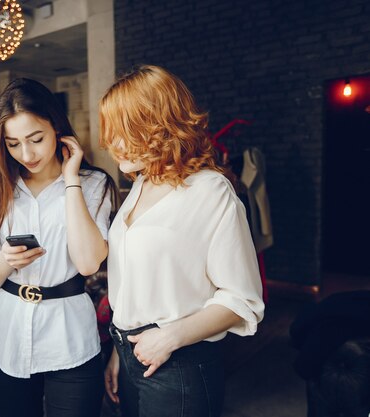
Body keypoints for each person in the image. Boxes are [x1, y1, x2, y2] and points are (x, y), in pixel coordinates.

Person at [99, 65, 265, 417]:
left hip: (180, 362)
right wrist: (119, 351)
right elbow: (135, 287)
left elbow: (242, 299)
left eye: (125, 131)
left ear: (162, 124)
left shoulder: (209, 190)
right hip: (130, 353)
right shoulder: (140, 184)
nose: (113, 144)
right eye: (111, 132)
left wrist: (170, 337)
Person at [0, 78, 117, 417]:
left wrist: (71, 179)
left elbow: (87, 263)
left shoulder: (94, 184)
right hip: (5, 332)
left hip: (68, 334)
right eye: (13, 144)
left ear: (56, 127)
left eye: (36, 139)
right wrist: (7, 261)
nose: (27, 154)